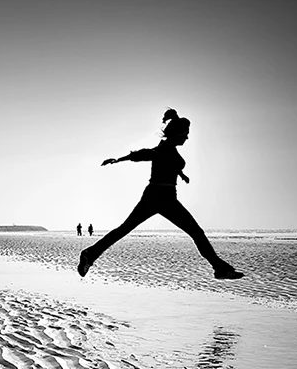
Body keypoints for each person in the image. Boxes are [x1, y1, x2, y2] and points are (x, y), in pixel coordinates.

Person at [79, 108, 242, 279]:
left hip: (163, 196)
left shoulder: (170, 150)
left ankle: (90, 254)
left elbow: (171, 164)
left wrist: (181, 175)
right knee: (196, 232)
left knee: (125, 229)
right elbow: (145, 154)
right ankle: (219, 268)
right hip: (160, 196)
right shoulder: (163, 150)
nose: (187, 137)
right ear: (175, 134)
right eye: (185, 133)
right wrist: (119, 159)